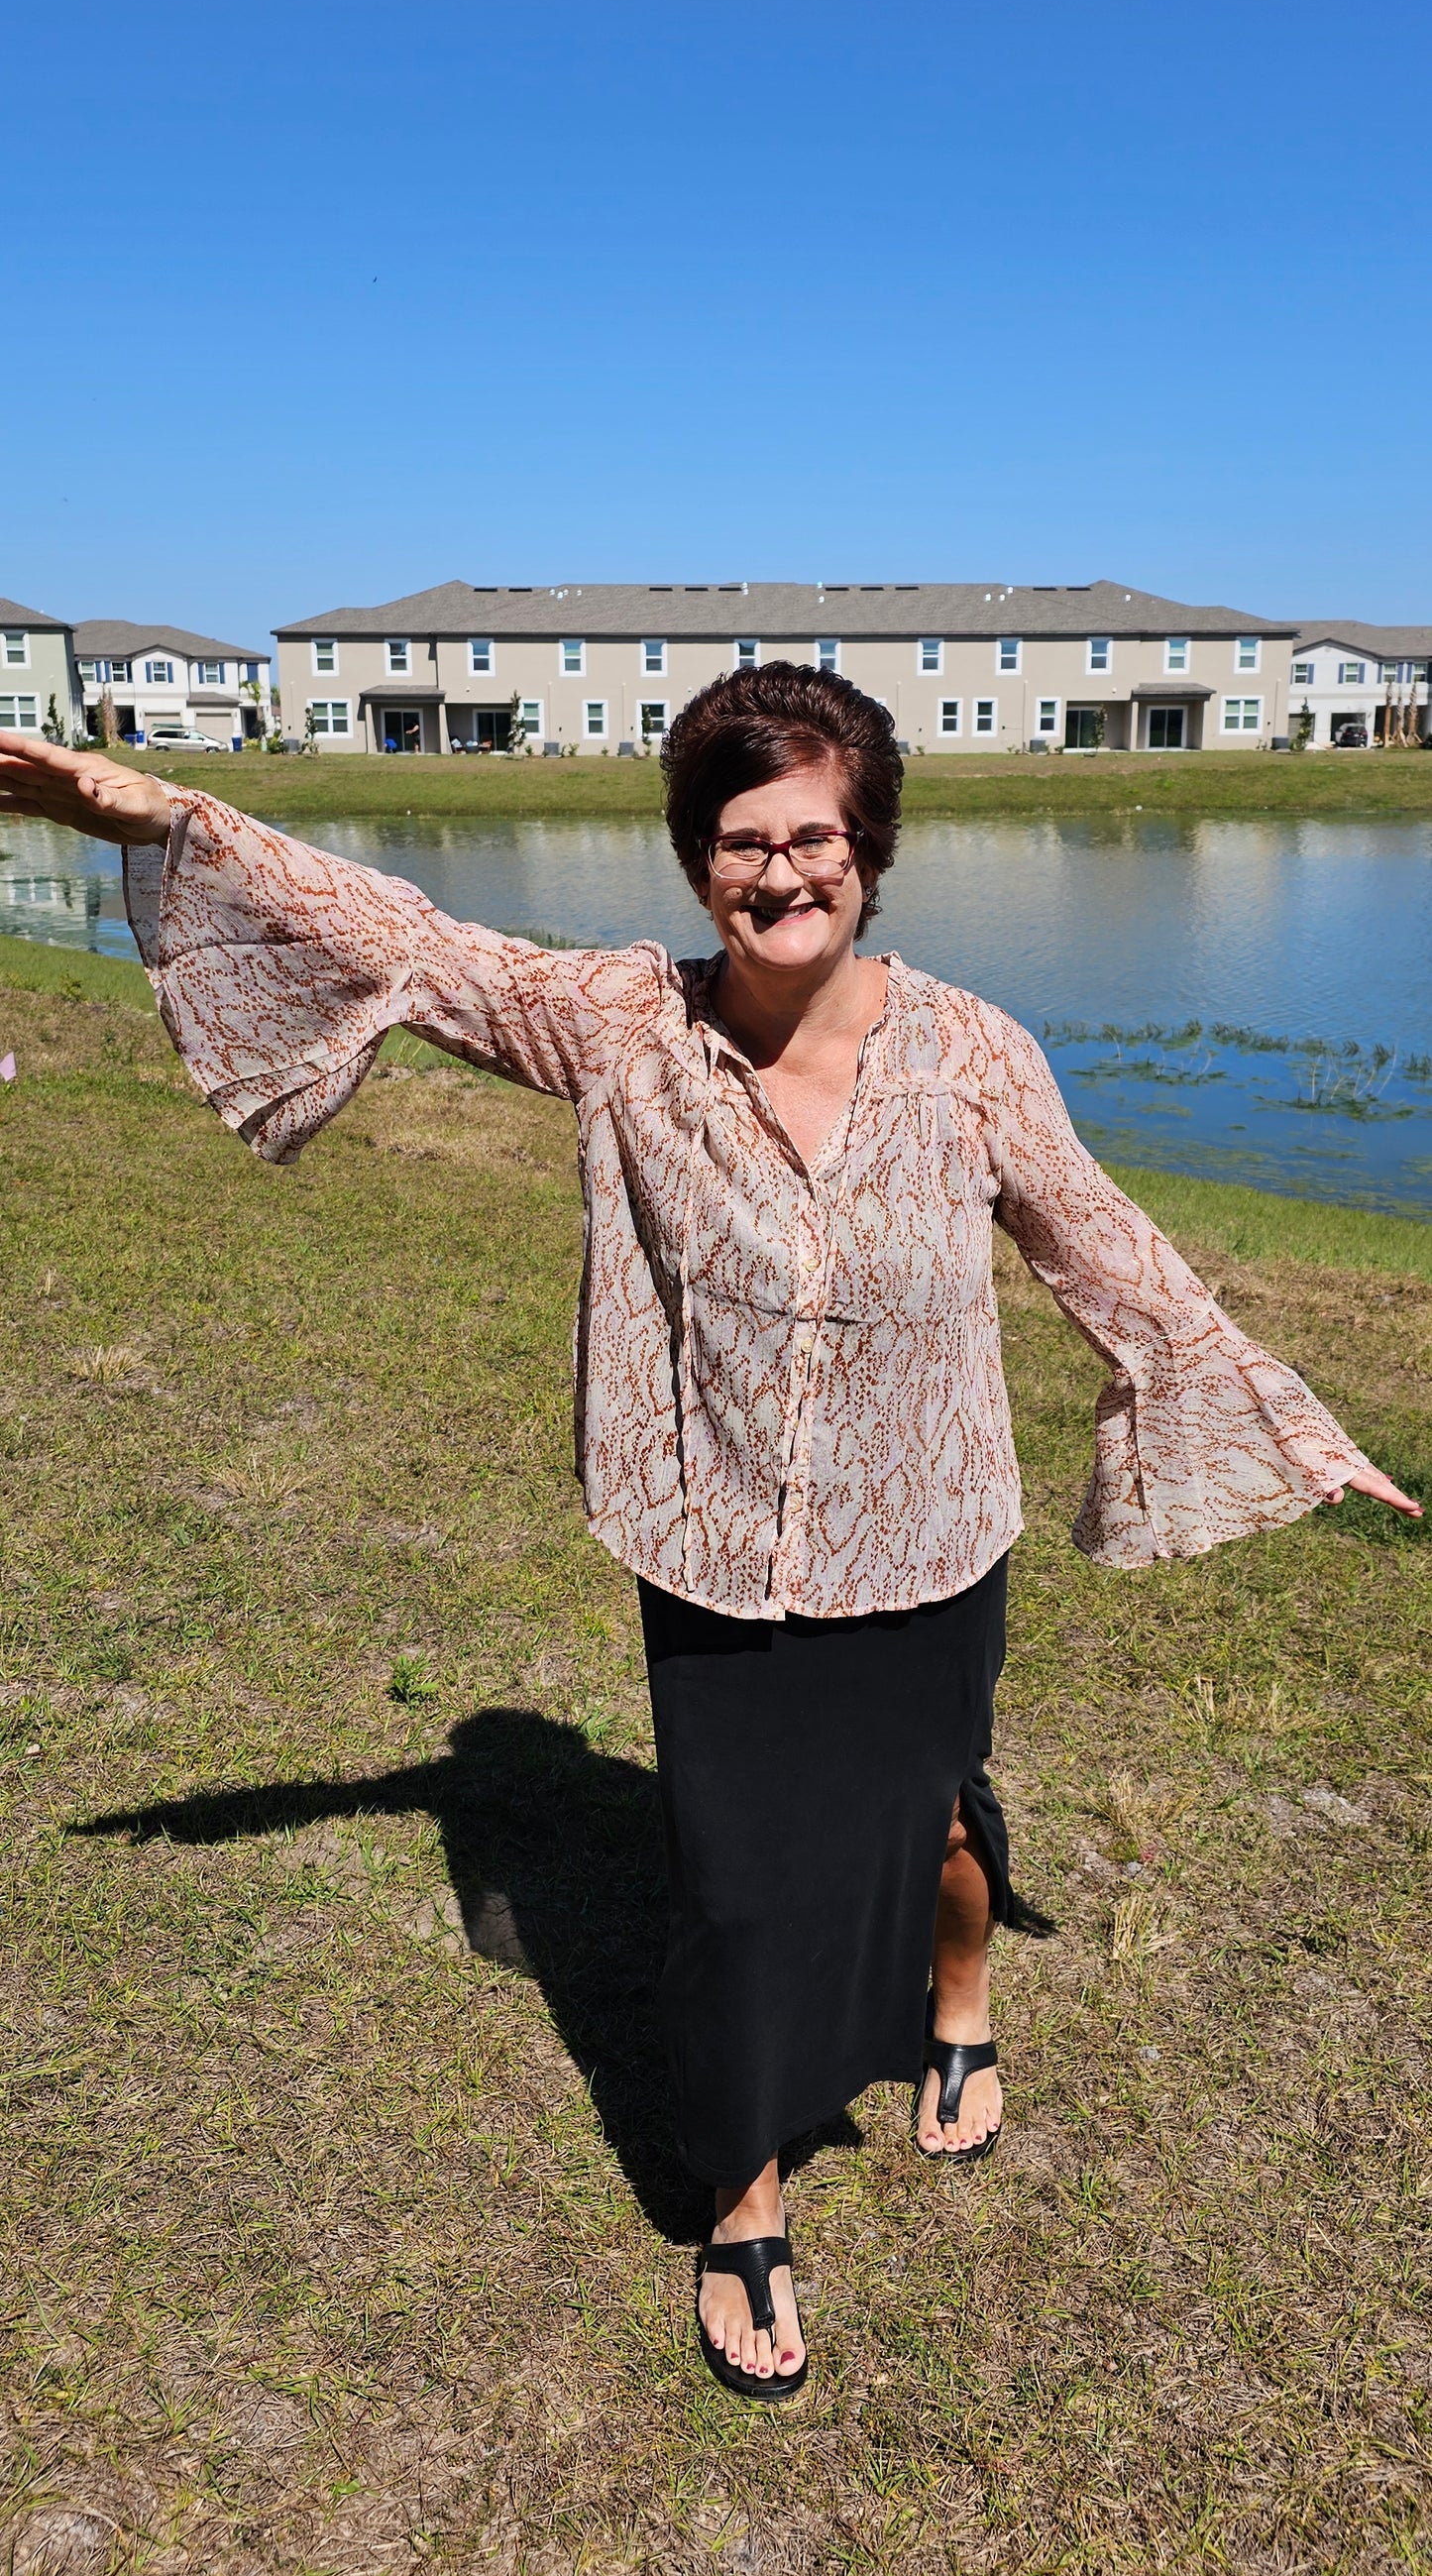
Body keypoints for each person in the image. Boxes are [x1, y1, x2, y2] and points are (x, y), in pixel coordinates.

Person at [1, 668, 1416, 2406]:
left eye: (811, 836)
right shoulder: (617, 1025)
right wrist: (156, 813)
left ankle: (952, 2002)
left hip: (930, 1537)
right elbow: (413, 936)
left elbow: (1099, 1243)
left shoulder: (975, 1055)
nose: (779, 873)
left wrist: (1278, 1414)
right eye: (742, 842)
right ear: (697, 862)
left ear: (867, 845)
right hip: (717, 1542)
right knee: (738, 1892)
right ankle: (742, 2194)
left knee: (940, 1826)